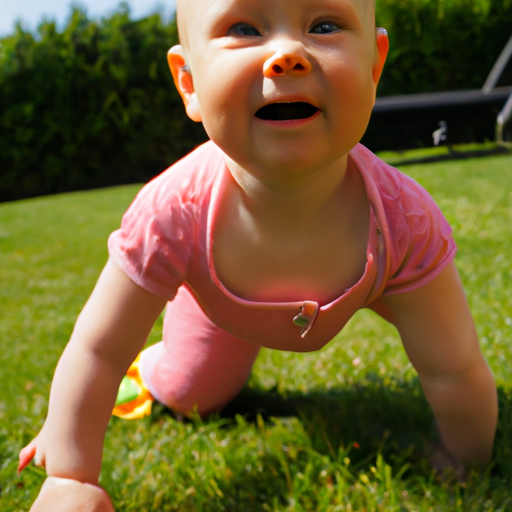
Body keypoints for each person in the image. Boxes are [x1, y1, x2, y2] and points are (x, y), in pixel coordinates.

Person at [19, 0, 498, 509]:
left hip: (374, 272)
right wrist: (71, 474)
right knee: (193, 394)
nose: (287, 54)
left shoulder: (403, 221)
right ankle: (160, 366)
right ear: (189, 83)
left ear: (374, 66)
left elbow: (456, 367)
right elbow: (99, 349)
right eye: (243, 28)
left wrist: (464, 461)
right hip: (219, 298)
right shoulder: (173, 212)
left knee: (444, 351)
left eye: (325, 25)